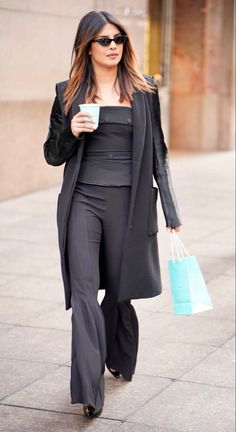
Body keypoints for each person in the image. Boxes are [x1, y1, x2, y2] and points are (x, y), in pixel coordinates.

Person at [43, 10, 182, 419]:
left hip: (130, 202)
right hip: (83, 200)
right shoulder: (67, 92)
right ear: (86, 45)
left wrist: (171, 209)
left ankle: (119, 354)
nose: (113, 46)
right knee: (85, 293)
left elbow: (158, 151)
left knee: (119, 290)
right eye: (104, 40)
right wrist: (72, 132)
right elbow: (51, 155)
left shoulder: (144, 90)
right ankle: (89, 390)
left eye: (118, 39)